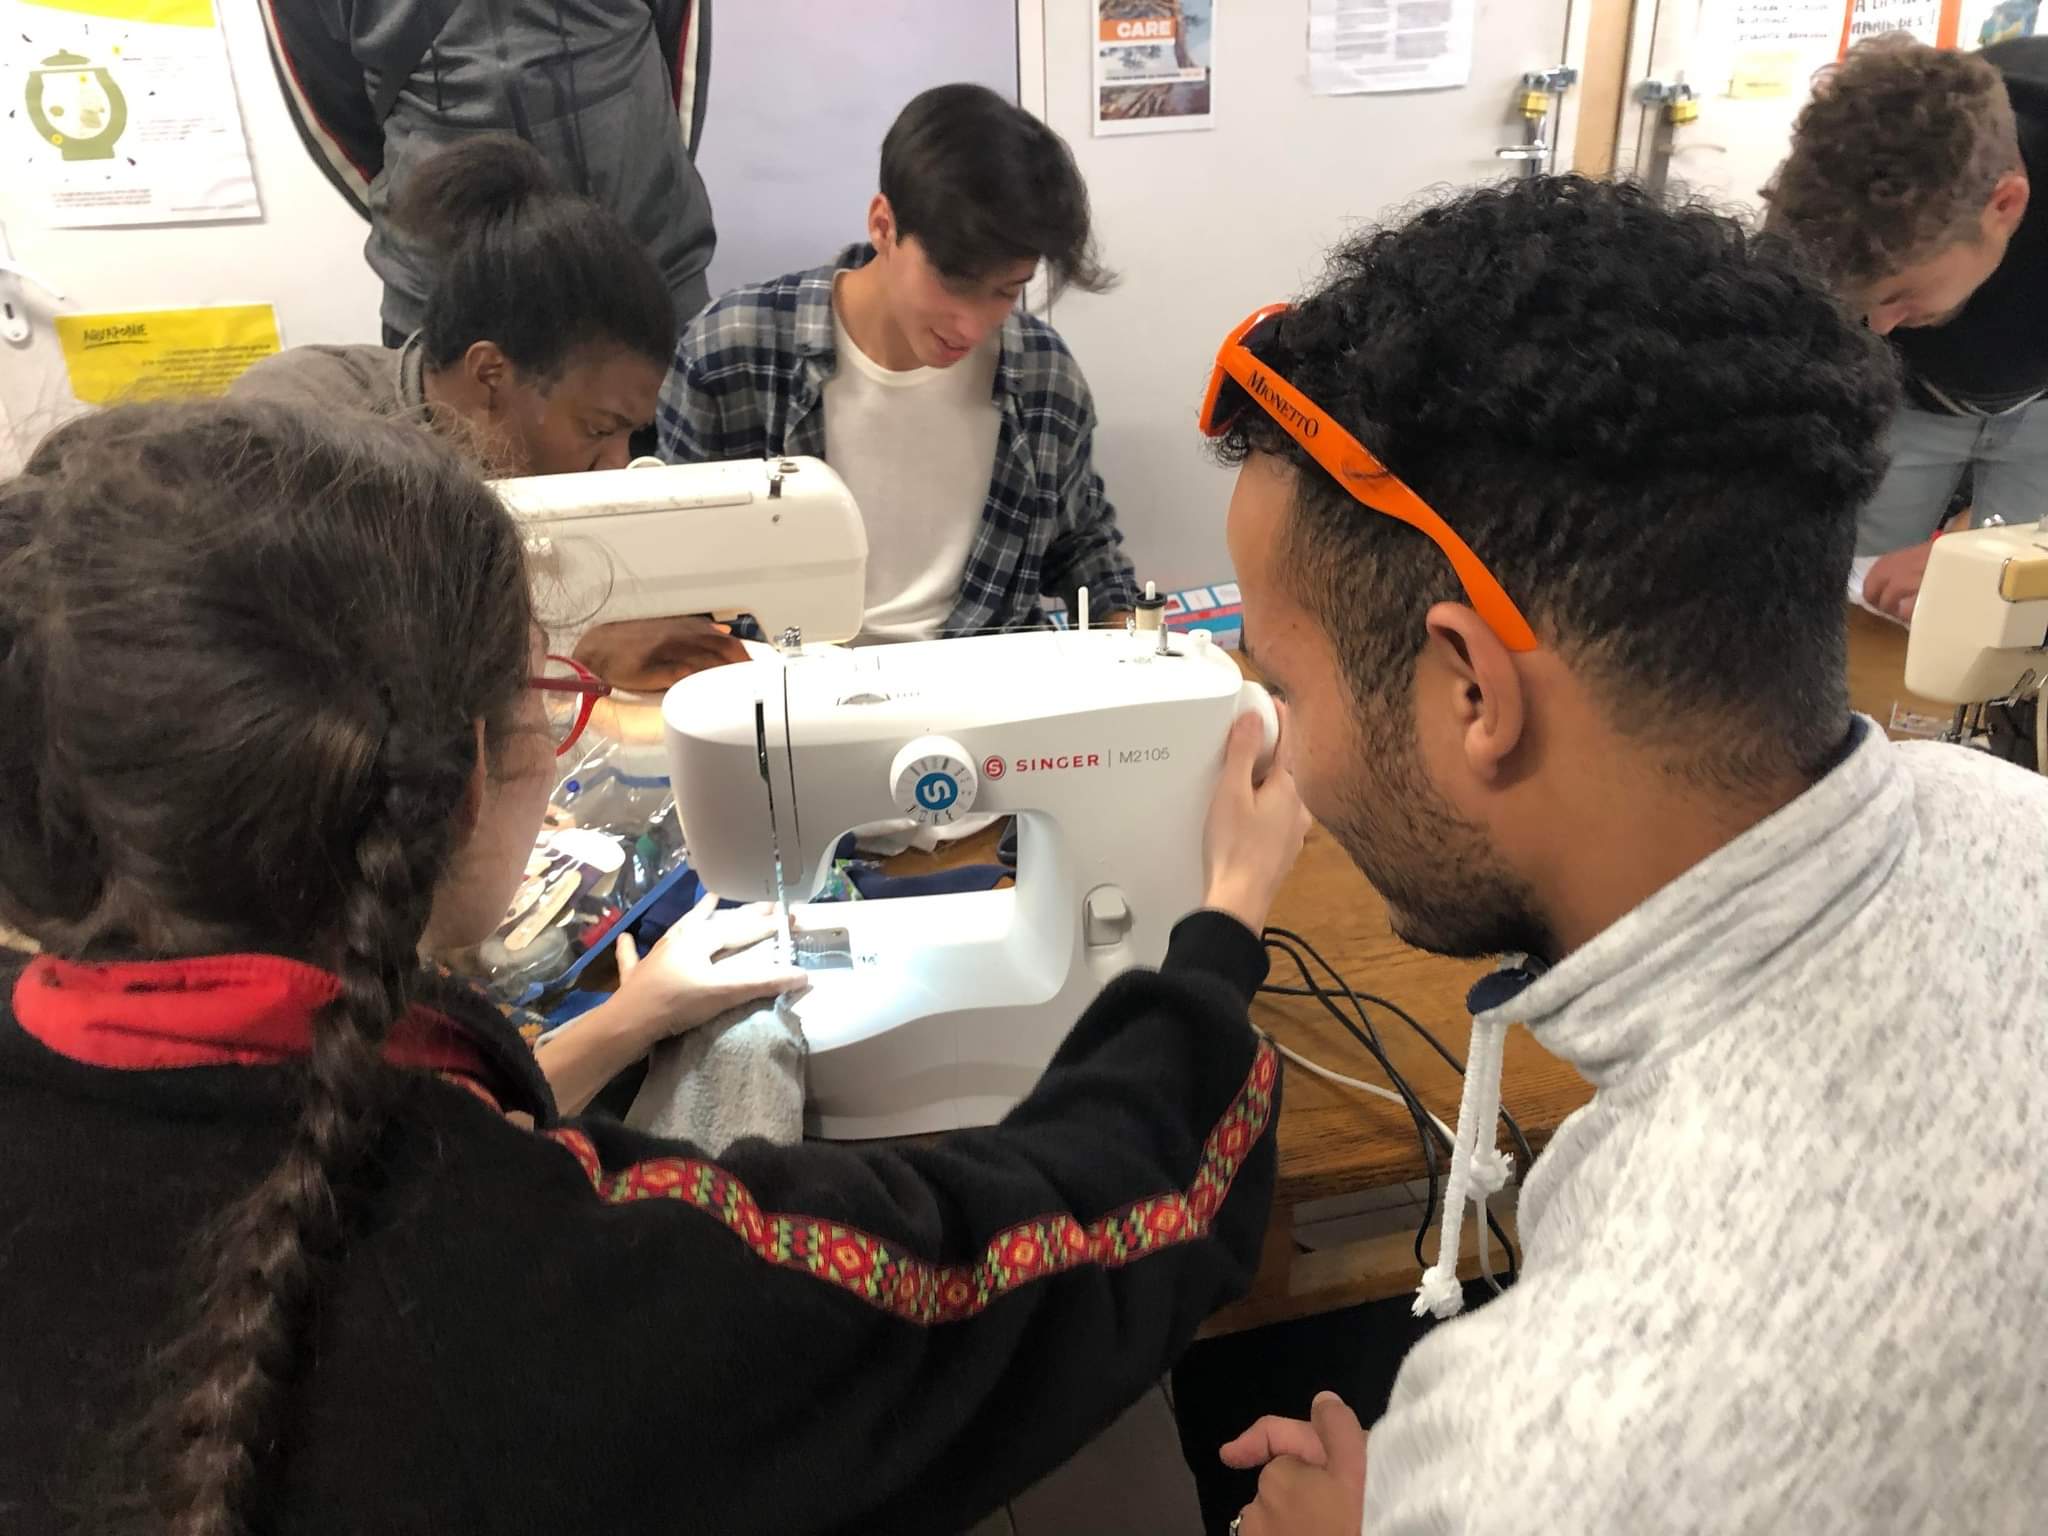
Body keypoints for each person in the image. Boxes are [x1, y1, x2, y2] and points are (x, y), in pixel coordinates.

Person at [0, 398, 1307, 1534]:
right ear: (463, 775)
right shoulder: (570, 1308)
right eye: (547, 693)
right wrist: (1220, 927)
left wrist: (627, 1020)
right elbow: (1090, 1235)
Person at [1202, 177, 2048, 1534]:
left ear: (1471, 691)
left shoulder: (1559, 1452)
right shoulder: (2003, 813)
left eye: (1285, 688)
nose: (1288, 754)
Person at [658, 84, 1140, 643]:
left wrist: (1139, 638)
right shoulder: (732, 352)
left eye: (1005, 291)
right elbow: (672, 565)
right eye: (953, 282)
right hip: (789, 683)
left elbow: (1082, 546)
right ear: (883, 226)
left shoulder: (1042, 375)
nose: (971, 325)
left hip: (986, 681)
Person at [1765, 34, 2048, 621]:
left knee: (2016, 607)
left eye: (1901, 296)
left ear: (2005, 205)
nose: (1881, 327)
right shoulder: (1849, 172)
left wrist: (1971, 550)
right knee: (1856, 592)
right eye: (1862, 305)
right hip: (1914, 397)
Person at [257, 0, 716, 345]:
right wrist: (421, 204)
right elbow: (329, 106)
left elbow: (680, 59)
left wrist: (641, 186)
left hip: (646, 277)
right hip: (444, 300)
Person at [231, 135, 675, 480]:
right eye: (599, 429)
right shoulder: (295, 426)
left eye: (631, 436)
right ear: (489, 374)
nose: (619, 465)